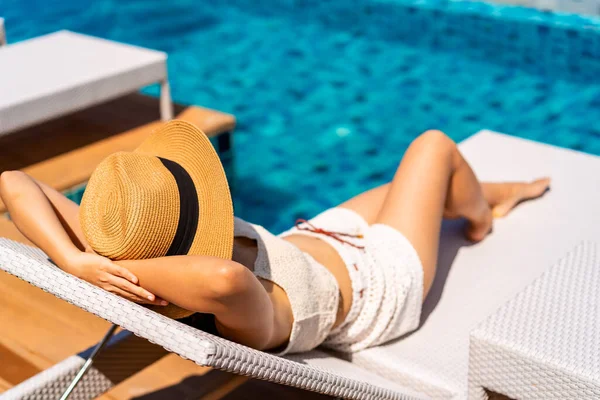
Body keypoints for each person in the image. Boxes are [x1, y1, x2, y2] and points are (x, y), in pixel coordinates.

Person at [0, 120, 550, 354]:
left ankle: (489, 191)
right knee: (433, 147)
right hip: (381, 280)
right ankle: (481, 216)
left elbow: (12, 182)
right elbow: (221, 276)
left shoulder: (116, 247)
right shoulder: (242, 309)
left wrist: (77, 260)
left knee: (409, 182)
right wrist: (114, 273)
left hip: (325, 236)